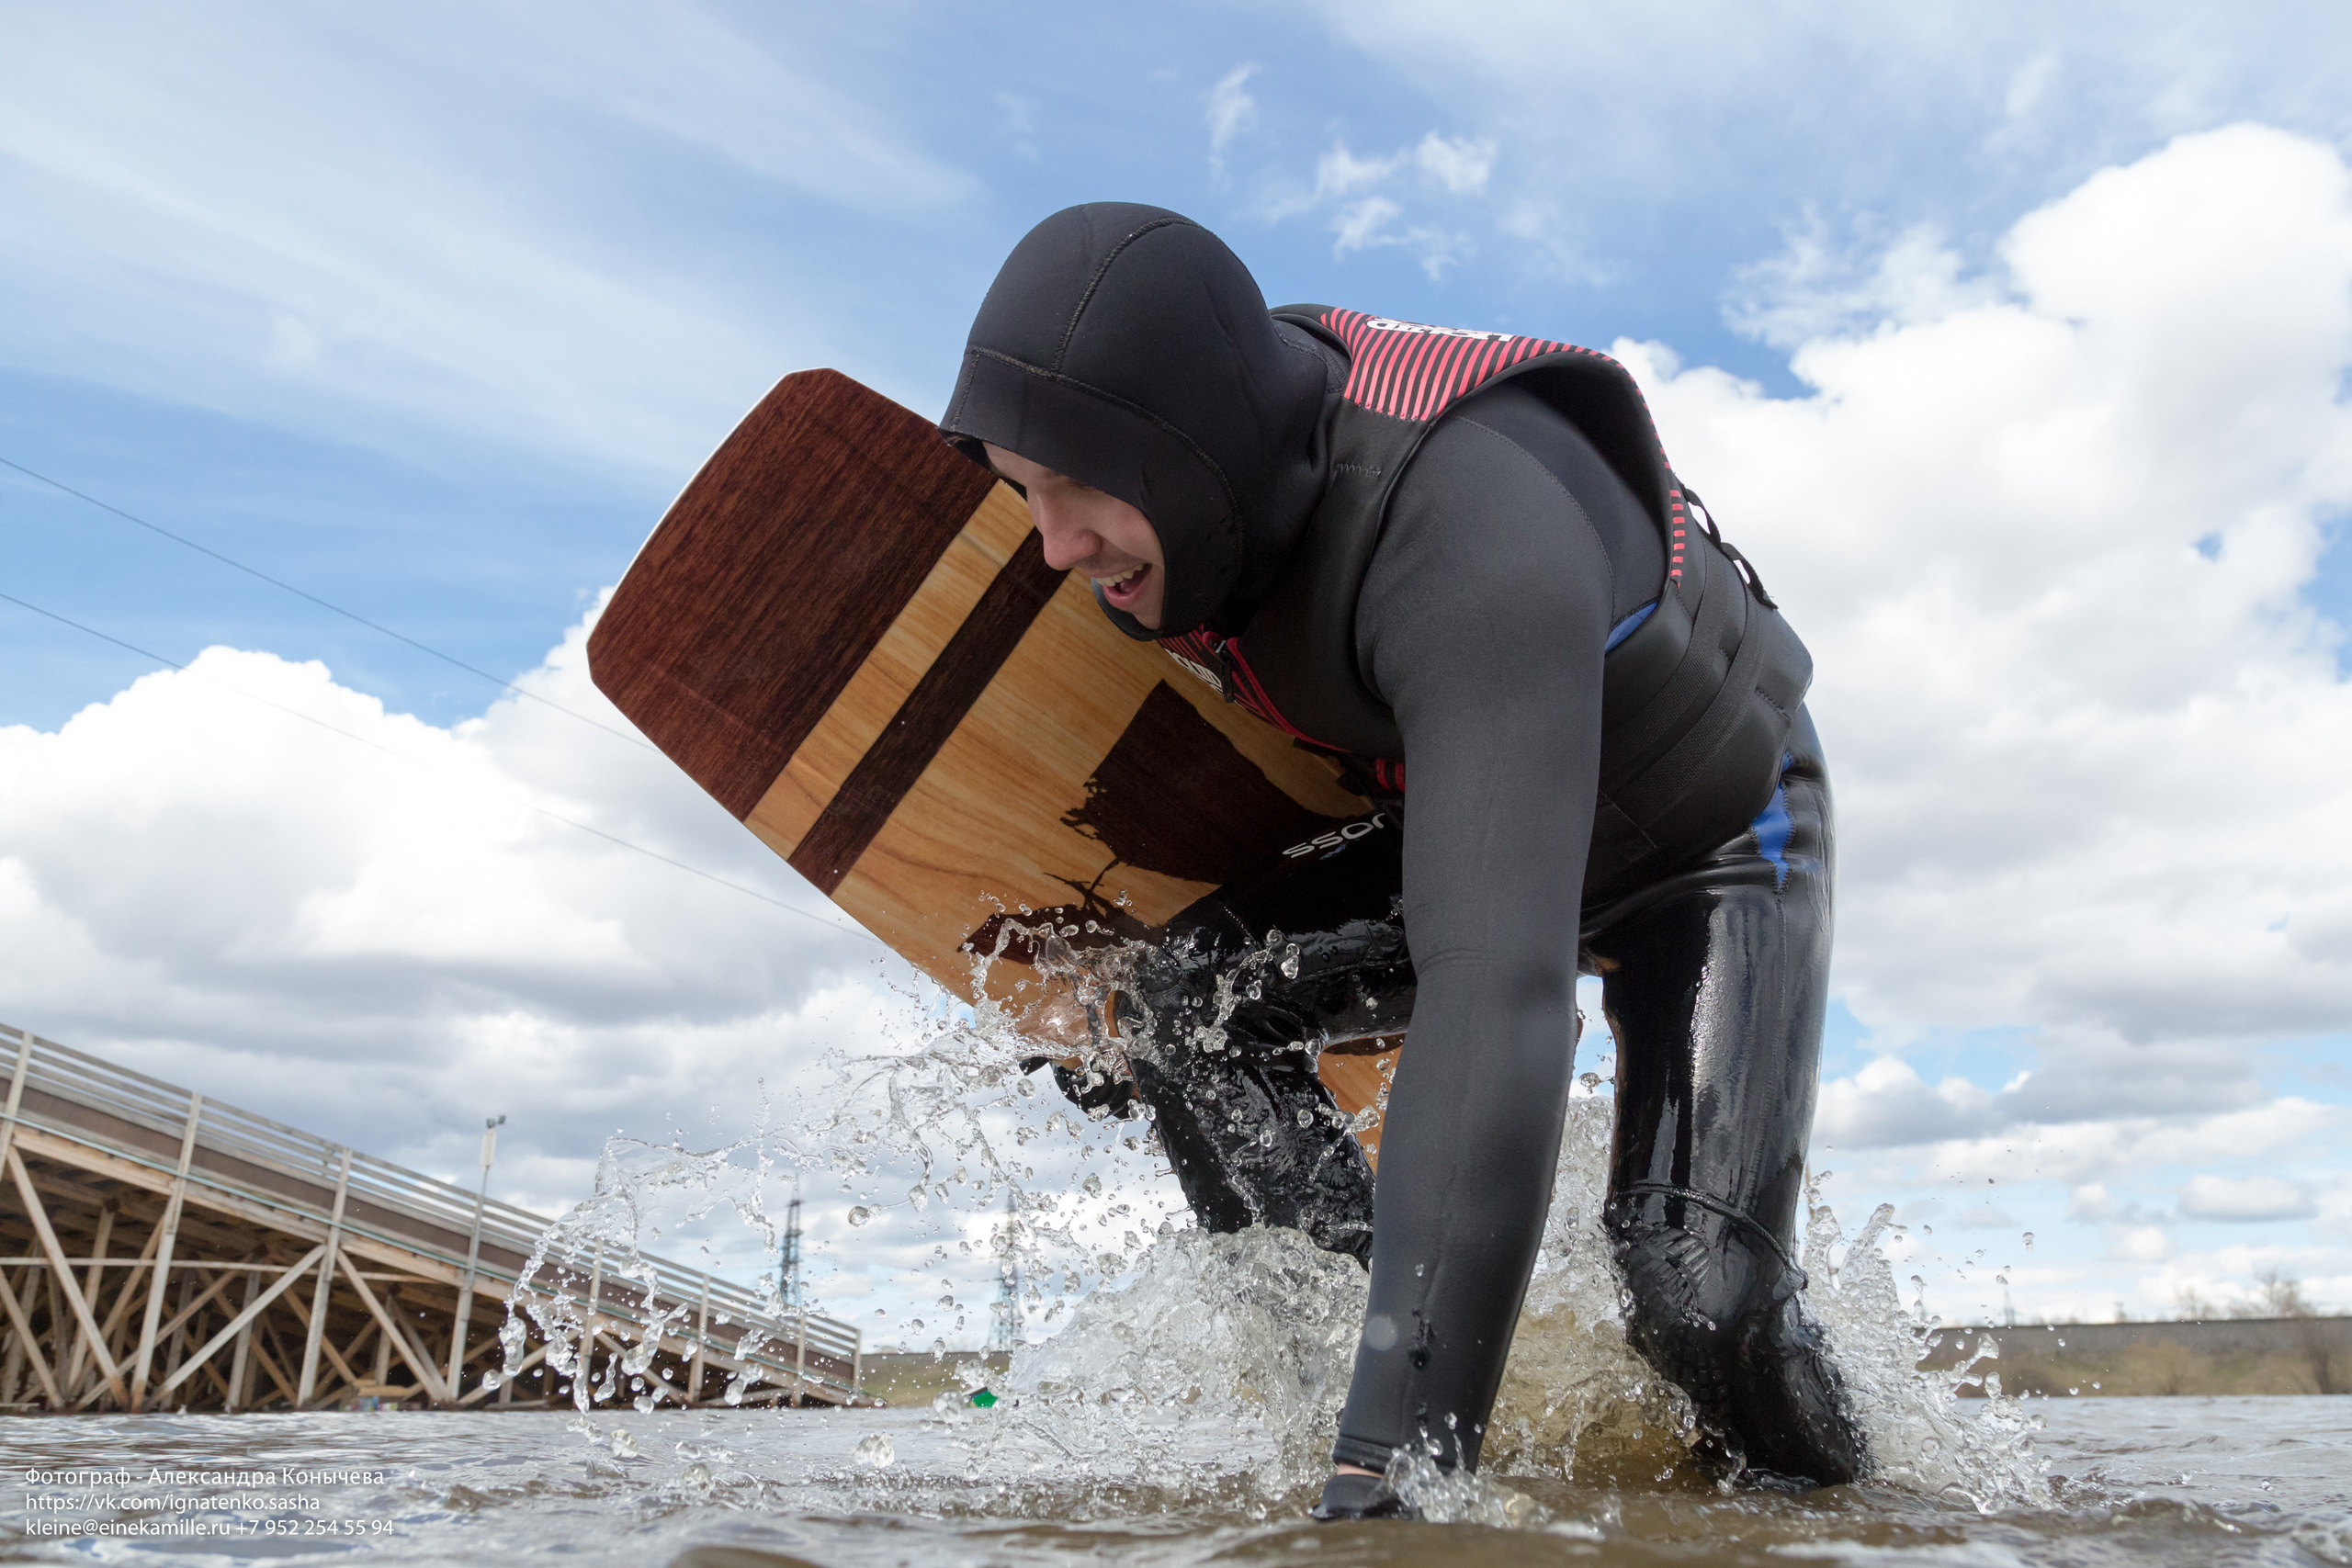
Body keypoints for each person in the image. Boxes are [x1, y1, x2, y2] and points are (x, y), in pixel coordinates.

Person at [939, 202, 1863, 1517]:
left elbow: (1495, 990)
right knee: (1186, 1011)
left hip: (1711, 831)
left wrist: (1389, 1488)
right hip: (1467, 809)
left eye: (1081, 489)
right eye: (1023, 488)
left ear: (1188, 451)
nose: (1053, 545)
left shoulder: (1469, 525)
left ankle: (1855, 1515)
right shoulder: (1208, 481)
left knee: (1696, 1298)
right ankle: (1354, 1367)